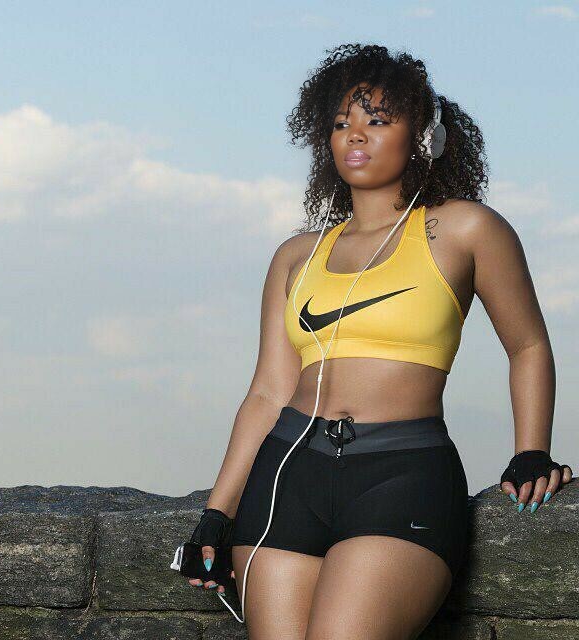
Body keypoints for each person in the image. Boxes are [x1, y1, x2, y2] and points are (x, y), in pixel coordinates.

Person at [184, 43, 573, 639]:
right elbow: (267, 391)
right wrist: (217, 512)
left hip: (402, 475)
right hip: (288, 474)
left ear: (425, 137)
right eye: (342, 123)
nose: (355, 135)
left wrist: (531, 452)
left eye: (378, 120)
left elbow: (528, 346)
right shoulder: (296, 256)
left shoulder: (466, 228)